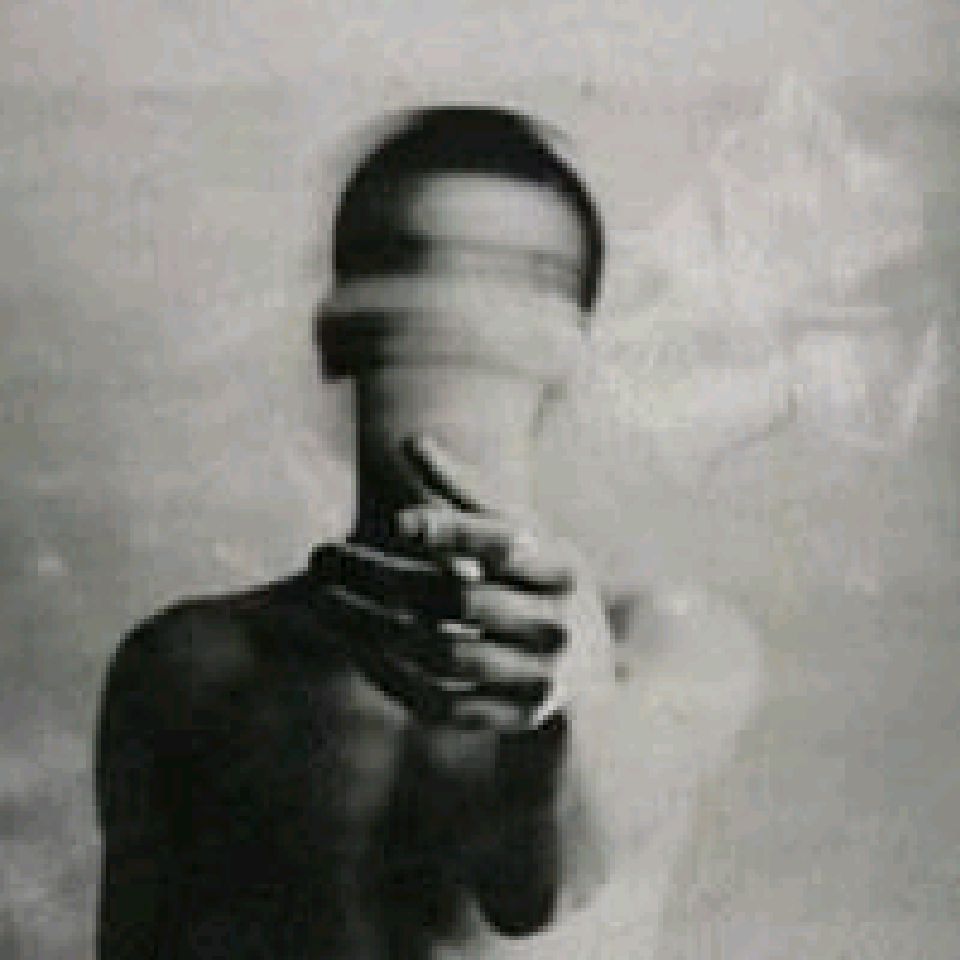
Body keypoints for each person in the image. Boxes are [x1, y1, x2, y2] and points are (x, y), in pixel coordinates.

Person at [95, 106, 759, 959]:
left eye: (518, 279)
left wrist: (558, 714)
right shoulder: (187, 671)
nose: (458, 316)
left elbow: (535, 890)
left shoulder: (675, 650)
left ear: (574, 354)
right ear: (334, 330)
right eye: (412, 264)